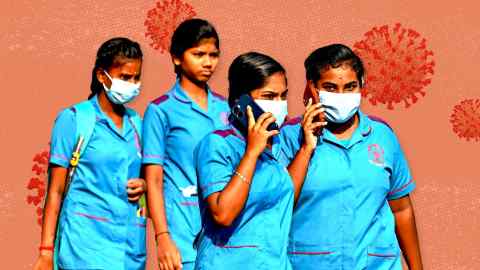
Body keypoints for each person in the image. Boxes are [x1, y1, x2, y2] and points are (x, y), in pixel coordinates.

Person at [280, 43, 423, 270]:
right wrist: (306, 148)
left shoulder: (382, 135)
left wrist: (417, 268)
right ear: (312, 88)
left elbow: (401, 209)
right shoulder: (288, 137)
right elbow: (278, 205)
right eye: (330, 87)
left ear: (361, 86)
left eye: (350, 87)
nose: (342, 95)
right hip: (308, 263)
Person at [193, 52, 323, 270]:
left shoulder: (276, 142)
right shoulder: (218, 144)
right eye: (269, 96)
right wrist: (252, 153)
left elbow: (285, 199)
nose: (279, 104)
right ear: (241, 101)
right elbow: (223, 214)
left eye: (283, 96)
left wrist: (306, 148)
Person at [33, 37, 147, 270]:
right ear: (101, 75)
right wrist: (45, 252)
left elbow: (150, 177)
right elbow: (55, 191)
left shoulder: (138, 123)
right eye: (125, 77)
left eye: (136, 78)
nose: (133, 84)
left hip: (129, 250)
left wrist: (144, 185)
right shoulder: (74, 119)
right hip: (84, 249)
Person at [142, 19, 229, 270]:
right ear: (177, 58)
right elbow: (154, 180)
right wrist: (163, 238)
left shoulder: (226, 108)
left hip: (223, 233)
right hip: (182, 232)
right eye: (198, 54)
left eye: (213, 55)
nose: (208, 62)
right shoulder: (161, 110)